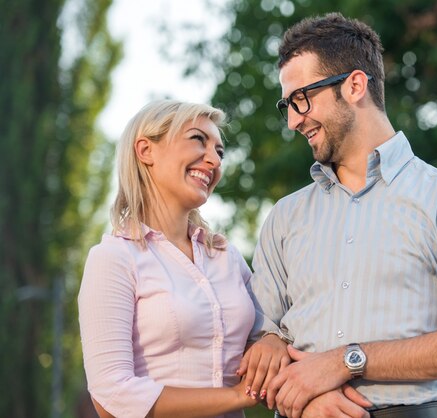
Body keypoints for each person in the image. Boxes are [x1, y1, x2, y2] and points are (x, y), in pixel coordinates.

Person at [242, 12, 437, 418]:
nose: (294, 120)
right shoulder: (284, 217)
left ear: (354, 85)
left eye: (302, 99)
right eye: (287, 105)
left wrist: (345, 360)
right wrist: (293, 377)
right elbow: (260, 340)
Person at [78, 99, 284, 418]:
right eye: (198, 140)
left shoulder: (225, 256)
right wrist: (235, 397)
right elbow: (111, 395)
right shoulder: (113, 258)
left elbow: (270, 324)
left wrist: (273, 338)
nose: (213, 159)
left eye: (220, 151)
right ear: (146, 150)